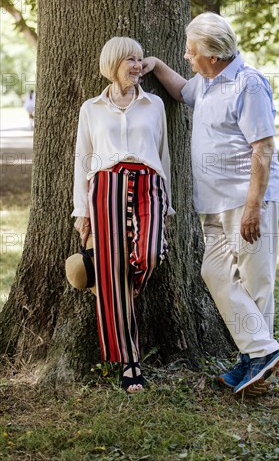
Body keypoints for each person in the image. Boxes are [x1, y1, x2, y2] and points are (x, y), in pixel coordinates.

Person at [142, 12, 279, 396]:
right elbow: (180, 91)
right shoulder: (206, 83)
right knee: (216, 274)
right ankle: (260, 352)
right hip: (214, 205)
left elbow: (263, 148)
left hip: (247, 199)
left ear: (211, 53)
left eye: (191, 52)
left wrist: (253, 207)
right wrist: (156, 65)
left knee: (256, 283)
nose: (187, 58)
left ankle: (255, 363)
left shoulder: (248, 83)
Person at [72, 37, 173, 393]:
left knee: (149, 254)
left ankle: (121, 291)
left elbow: (164, 155)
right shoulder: (91, 108)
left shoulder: (154, 104)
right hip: (106, 187)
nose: (138, 65)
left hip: (148, 184)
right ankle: (131, 363)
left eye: (141, 59)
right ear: (113, 62)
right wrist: (81, 211)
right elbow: (82, 160)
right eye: (131, 59)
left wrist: (168, 203)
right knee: (112, 273)